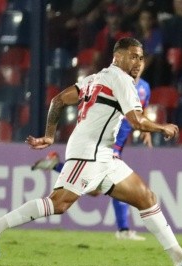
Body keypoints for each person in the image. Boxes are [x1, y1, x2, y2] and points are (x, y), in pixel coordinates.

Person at [0, 37, 182, 266]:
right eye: (132, 56)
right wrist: (163, 127)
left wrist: (50, 136)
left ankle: (180, 258)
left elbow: (58, 100)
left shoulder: (94, 78)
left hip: (104, 154)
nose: (138, 63)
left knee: (146, 197)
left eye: (141, 58)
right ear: (117, 57)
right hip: (88, 152)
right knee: (58, 204)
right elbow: (136, 121)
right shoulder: (122, 80)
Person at [31, 57, 153, 241]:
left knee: (97, 189)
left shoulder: (145, 88)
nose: (138, 65)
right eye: (135, 60)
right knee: (112, 185)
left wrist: (147, 131)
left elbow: (141, 112)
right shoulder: (117, 82)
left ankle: (56, 165)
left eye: (141, 61)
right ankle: (124, 230)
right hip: (105, 144)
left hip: (118, 143)